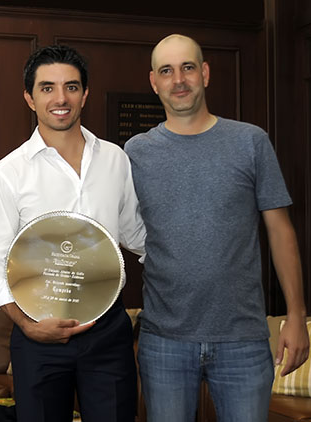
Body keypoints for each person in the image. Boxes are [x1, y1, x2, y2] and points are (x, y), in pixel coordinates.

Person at [124, 33, 309, 422]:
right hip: (163, 341)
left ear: (205, 73)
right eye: (167, 71)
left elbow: (280, 231)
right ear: (153, 82)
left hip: (243, 339)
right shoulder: (135, 153)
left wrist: (296, 315)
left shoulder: (250, 142)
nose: (179, 80)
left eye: (188, 67)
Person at [0, 45, 146, 422]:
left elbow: (137, 234)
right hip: (38, 335)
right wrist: (26, 325)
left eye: (71, 87)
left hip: (108, 332)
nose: (60, 98)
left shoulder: (115, 160)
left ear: (84, 94)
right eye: (47, 88)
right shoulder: (9, 173)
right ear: (29, 97)